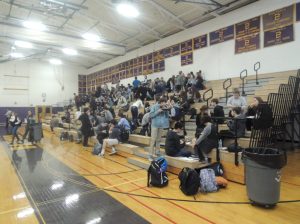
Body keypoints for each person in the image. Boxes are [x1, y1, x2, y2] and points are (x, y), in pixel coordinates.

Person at [149, 96, 170, 161]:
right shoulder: (154, 107)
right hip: (154, 125)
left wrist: (168, 110)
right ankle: (150, 155)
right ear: (160, 102)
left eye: (165, 102)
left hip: (161, 125)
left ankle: (157, 152)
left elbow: (166, 116)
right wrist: (158, 111)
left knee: (158, 140)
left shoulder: (164, 107)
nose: (164, 104)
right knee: (153, 140)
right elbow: (151, 115)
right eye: (163, 103)